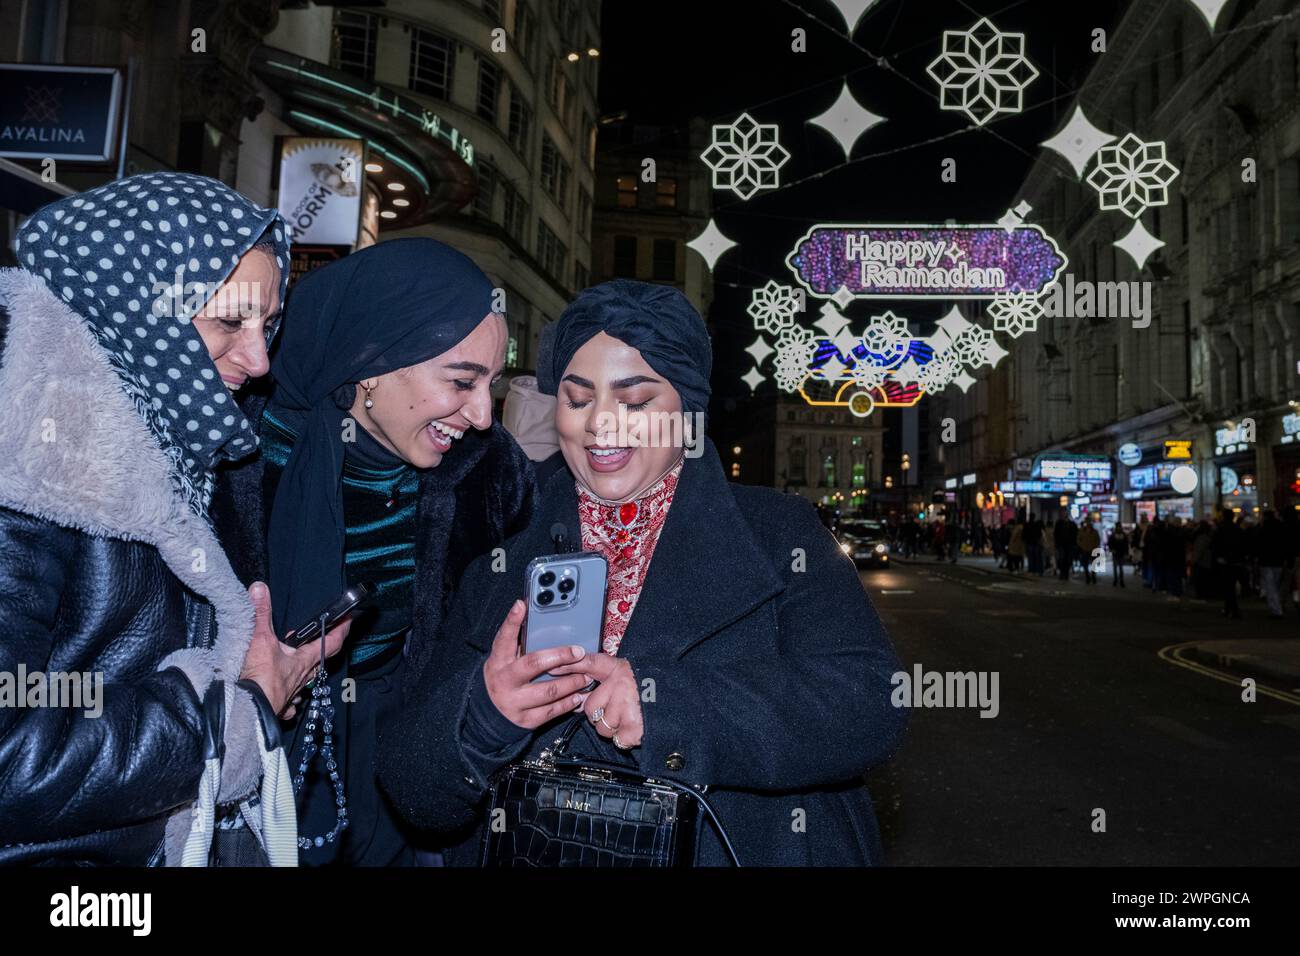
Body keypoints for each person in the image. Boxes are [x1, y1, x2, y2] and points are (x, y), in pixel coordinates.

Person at [377, 280, 908, 866]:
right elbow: (411, 790)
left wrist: (669, 706)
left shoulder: (779, 534)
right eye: (578, 399)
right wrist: (482, 717)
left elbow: (869, 704)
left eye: (635, 401)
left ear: (688, 412)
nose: (601, 424)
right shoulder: (499, 560)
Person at [0, 172, 349, 865]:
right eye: (229, 321)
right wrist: (227, 717)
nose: (258, 359)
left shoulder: (177, 438)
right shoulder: (26, 457)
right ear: (135, 303)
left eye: (268, 324)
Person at [212, 239, 537, 865]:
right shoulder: (227, 452)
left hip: (404, 758)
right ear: (371, 364)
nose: (481, 415)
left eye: (491, 385)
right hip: (247, 752)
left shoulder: (489, 472)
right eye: (462, 381)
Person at [1212, 512, 1246, 619]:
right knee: (1231, 585)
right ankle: (1230, 608)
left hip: (1225, 561)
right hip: (1236, 560)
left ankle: (1231, 609)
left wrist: (1218, 557)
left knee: (1228, 586)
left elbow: (1215, 545)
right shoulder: (1237, 529)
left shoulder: (1221, 529)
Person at [1257, 509, 1286, 617]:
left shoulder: (1263, 528)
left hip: (1266, 560)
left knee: (1270, 585)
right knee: (1276, 584)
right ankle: (1277, 606)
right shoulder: (1280, 527)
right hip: (1278, 560)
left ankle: (1276, 609)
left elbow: (1259, 544)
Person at [1078, 517, 1101, 585]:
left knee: (1093, 564)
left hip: (1092, 550)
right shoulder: (1082, 531)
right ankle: (1087, 576)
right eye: (1087, 522)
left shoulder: (1094, 531)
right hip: (1085, 549)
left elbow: (1098, 540)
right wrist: (1082, 545)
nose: (1088, 523)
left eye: (1089, 522)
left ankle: (1093, 576)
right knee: (1085, 564)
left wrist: (1095, 546)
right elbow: (1078, 539)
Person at [1054, 514, 1077, 581]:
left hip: (1066, 545)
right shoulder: (1070, 524)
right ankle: (1064, 574)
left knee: (1064, 559)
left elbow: (1056, 534)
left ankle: (1064, 574)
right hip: (1065, 545)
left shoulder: (1060, 524)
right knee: (1064, 559)